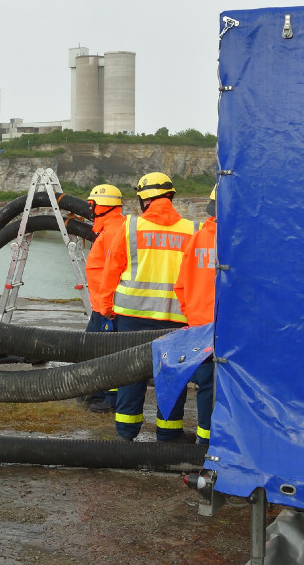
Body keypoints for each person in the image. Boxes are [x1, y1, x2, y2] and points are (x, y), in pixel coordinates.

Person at [97, 172, 194, 441]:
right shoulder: (191, 230)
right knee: (172, 376)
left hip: (132, 316)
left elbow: (111, 271)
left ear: (143, 200)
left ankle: (126, 434)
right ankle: (168, 435)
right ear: (171, 196)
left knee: (130, 375)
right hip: (176, 319)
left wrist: (105, 307)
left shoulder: (129, 227)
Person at [170, 184, 218, 444]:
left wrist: (193, 316)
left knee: (206, 385)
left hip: (200, 326)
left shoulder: (198, 237)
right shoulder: (244, 240)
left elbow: (181, 285)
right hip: (233, 330)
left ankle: (204, 441)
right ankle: (215, 440)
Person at [82, 184, 125, 413]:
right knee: (92, 348)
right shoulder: (109, 228)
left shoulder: (113, 232)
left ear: (102, 206)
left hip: (109, 305)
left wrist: (107, 305)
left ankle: (111, 399)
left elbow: (112, 272)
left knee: (108, 352)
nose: (90, 209)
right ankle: (94, 391)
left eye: (92, 204)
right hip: (102, 303)